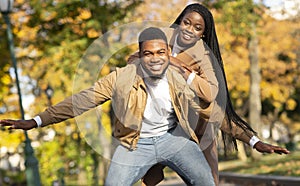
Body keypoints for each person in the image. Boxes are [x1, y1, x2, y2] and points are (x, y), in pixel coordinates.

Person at [0, 27, 217, 186]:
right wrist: (36, 121)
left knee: (205, 181)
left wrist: (251, 138)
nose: (155, 59)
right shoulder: (120, 78)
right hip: (135, 144)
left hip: (173, 139)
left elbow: (215, 112)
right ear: (139, 56)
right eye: (148, 53)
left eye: (161, 53)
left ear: (168, 53)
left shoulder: (180, 78)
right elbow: (81, 101)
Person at [137, 3, 290, 186]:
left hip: (198, 132)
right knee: (147, 177)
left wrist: (254, 141)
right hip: (162, 131)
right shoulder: (158, 43)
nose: (189, 30)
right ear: (179, 22)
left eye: (197, 28)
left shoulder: (202, 61)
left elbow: (214, 109)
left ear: (202, 34)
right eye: (186, 23)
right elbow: (133, 63)